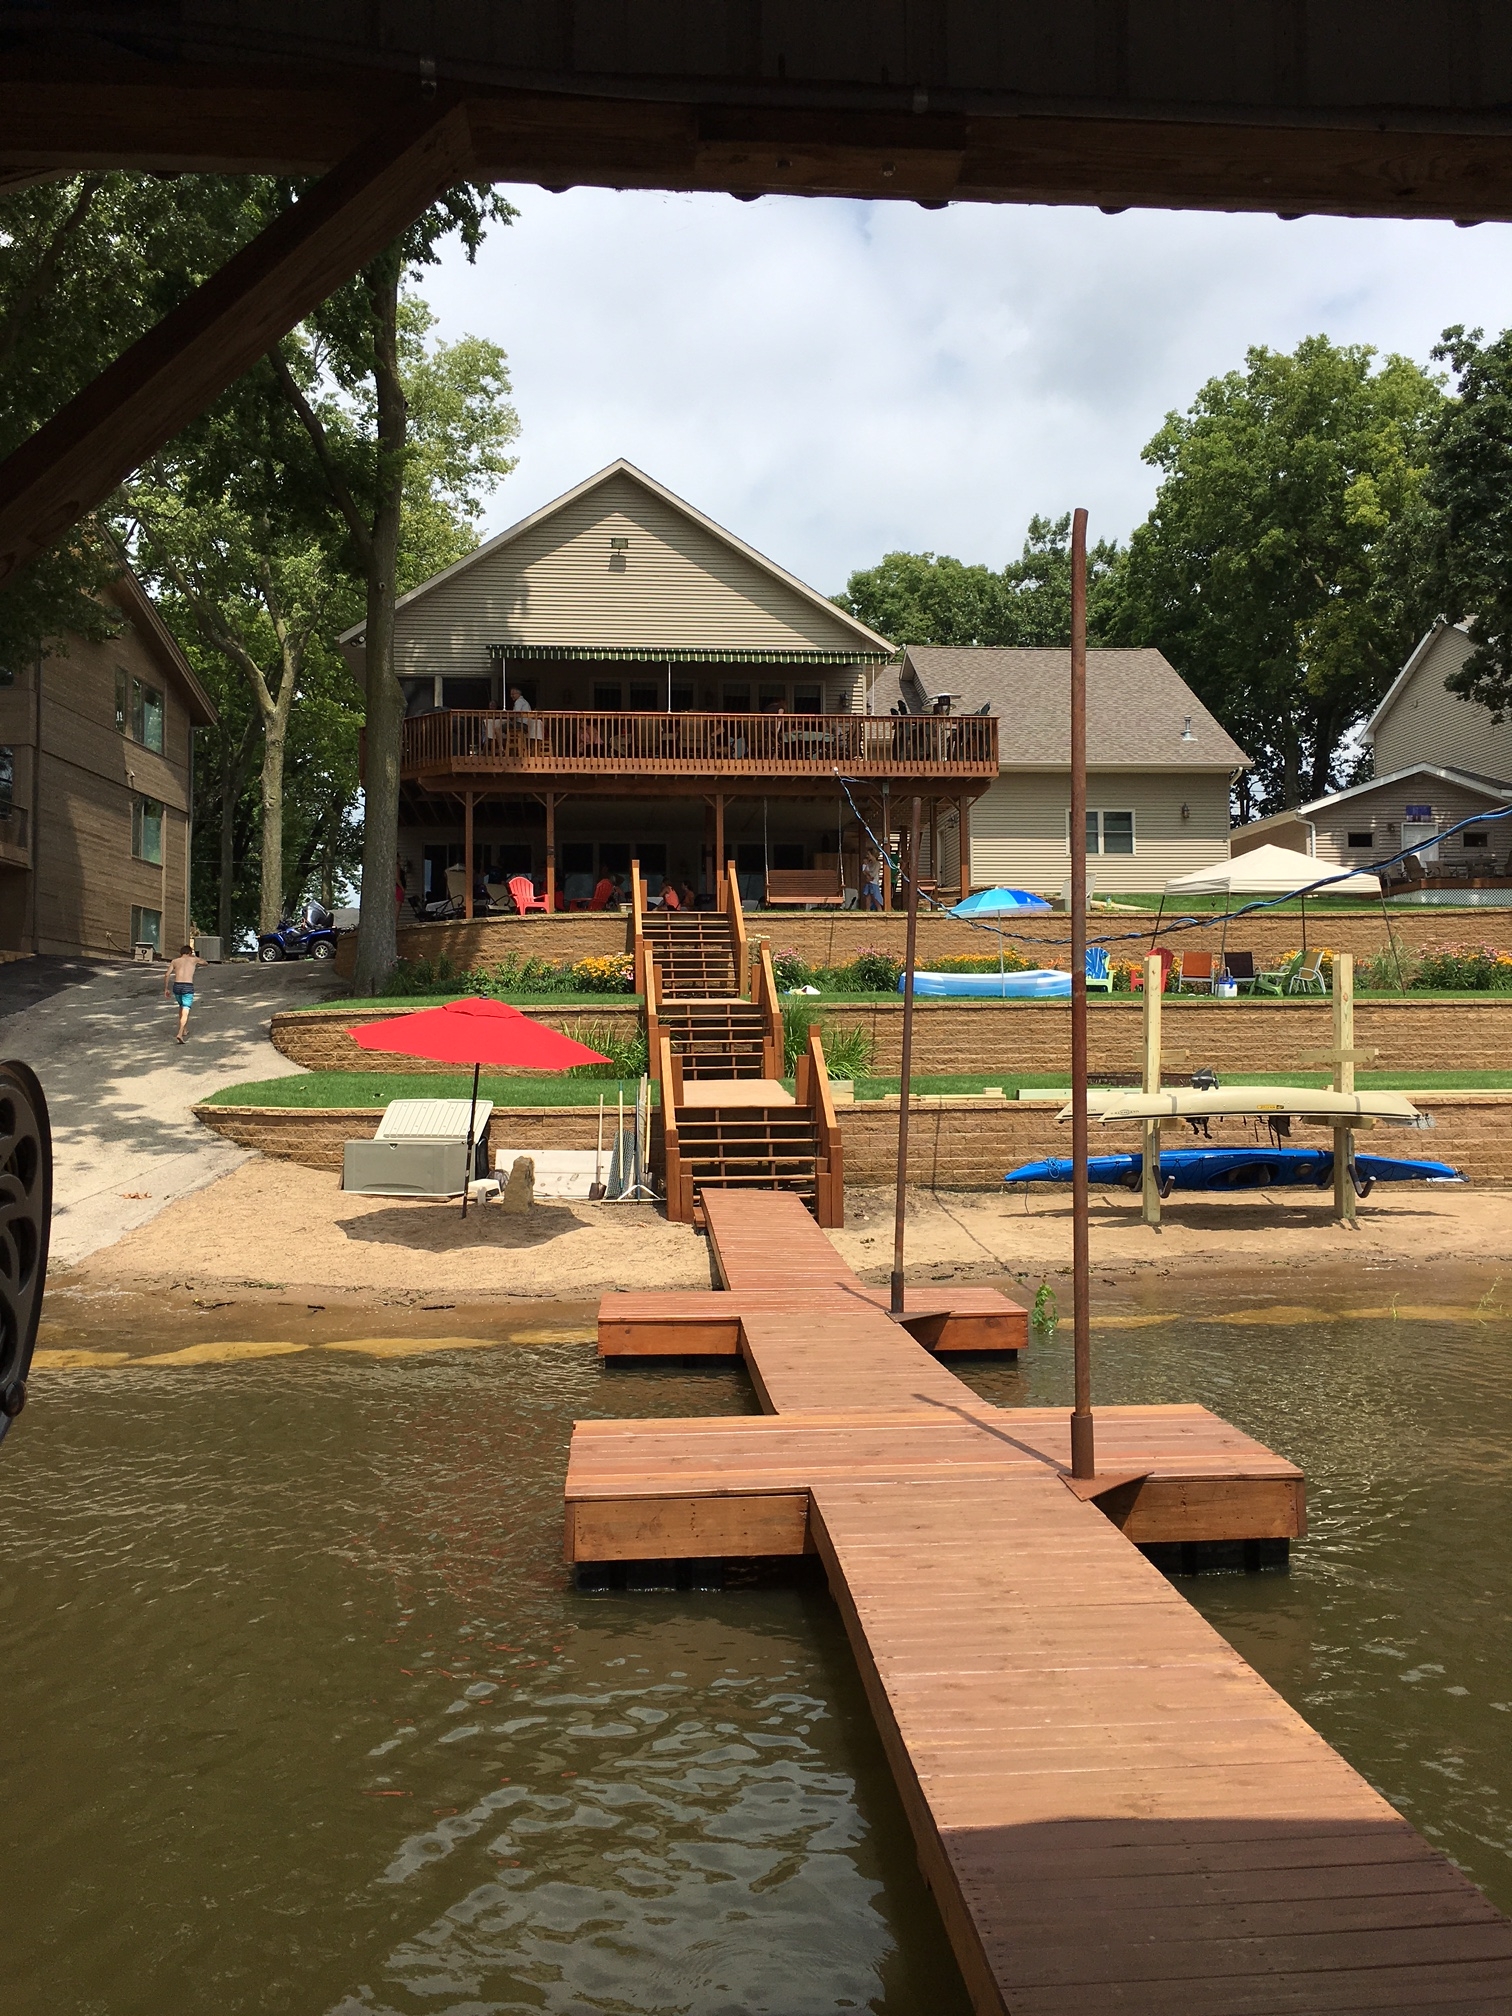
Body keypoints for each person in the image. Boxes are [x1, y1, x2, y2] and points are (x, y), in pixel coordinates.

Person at [163, 943, 203, 1044]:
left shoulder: (175, 961)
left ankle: (184, 1029)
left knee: (181, 1006)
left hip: (177, 986)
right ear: (190, 953)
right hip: (187, 987)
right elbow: (205, 962)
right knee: (186, 1009)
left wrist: (166, 989)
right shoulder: (193, 959)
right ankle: (180, 1033)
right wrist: (196, 958)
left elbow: (167, 974)